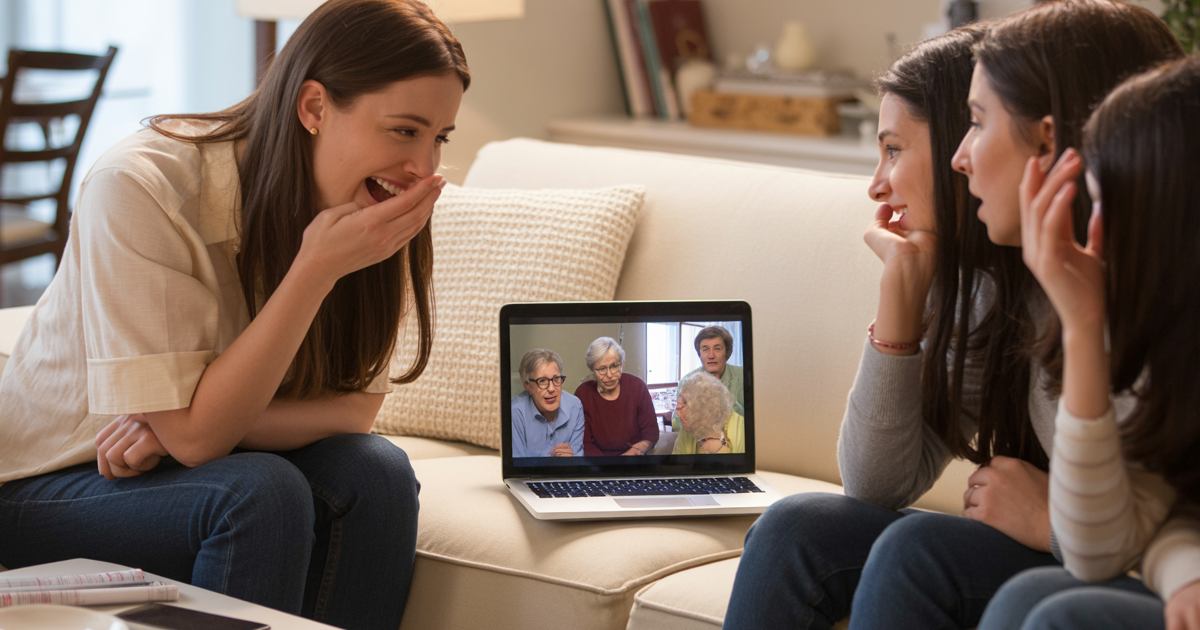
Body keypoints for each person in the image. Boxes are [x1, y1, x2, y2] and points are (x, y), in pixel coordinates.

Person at [0, 2, 469, 628]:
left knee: (375, 471)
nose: (424, 168)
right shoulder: (141, 186)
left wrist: (182, 432)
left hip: (181, 462)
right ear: (313, 107)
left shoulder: (372, 206)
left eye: (438, 138)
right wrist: (315, 270)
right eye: (405, 131)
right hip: (46, 486)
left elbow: (354, 409)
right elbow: (198, 437)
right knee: (258, 494)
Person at [724, 3, 1183, 627]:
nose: (962, 159)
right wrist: (901, 300)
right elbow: (876, 485)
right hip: (1096, 552)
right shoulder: (986, 290)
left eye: (975, 124)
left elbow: (1137, 522)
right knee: (796, 527)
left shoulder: (1144, 293)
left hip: (1126, 565)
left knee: (925, 554)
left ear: (1048, 139)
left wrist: (1050, 519)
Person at [975, 53, 1200, 630]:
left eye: (1104, 204)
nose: (1094, 227)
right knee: (1009, 594)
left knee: (1060, 614)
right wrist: (1082, 326)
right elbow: (1156, 521)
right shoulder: (1176, 343)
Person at [574, 337, 659, 456]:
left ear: (622, 364)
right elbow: (585, 442)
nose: (609, 375)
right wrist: (610, 467)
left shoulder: (637, 386)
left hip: (633, 457)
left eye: (614, 366)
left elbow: (651, 432)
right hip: (598, 462)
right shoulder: (583, 393)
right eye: (602, 369)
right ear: (592, 369)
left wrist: (633, 454)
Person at [511, 349, 584, 458]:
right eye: (542, 381)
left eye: (556, 379)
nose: (551, 388)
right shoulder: (514, 411)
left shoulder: (575, 406)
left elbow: (578, 460)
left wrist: (572, 460)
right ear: (529, 387)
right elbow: (518, 469)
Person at [671, 325, 744, 432]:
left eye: (717, 349)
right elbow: (678, 423)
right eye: (705, 350)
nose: (711, 355)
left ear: (727, 352)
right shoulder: (687, 381)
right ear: (699, 354)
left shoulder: (742, 375)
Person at [672, 372, 745, 455]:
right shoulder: (686, 431)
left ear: (706, 407)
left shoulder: (742, 429)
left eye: (684, 401)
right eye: (679, 398)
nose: (677, 406)